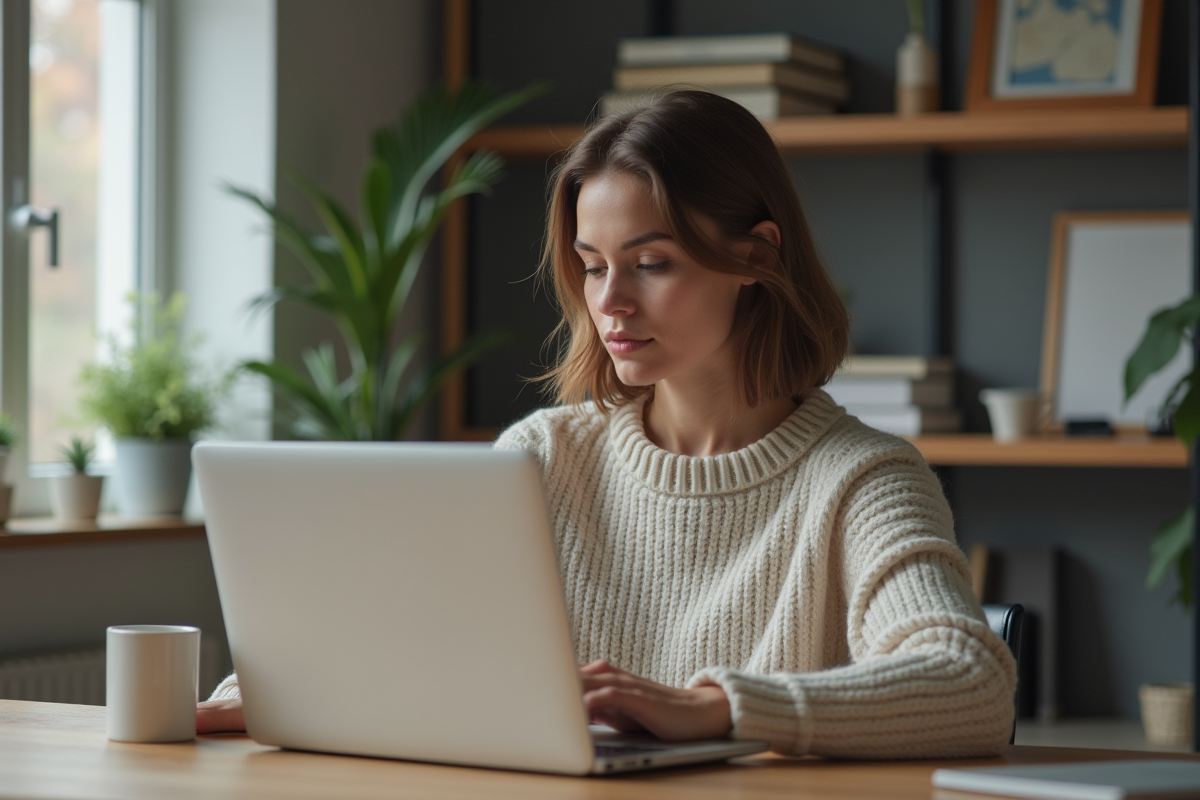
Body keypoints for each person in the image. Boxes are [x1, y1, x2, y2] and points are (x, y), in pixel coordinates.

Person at [198, 89, 1016, 758]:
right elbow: (424, 650)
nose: (611, 302)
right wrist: (293, 692)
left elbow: (969, 681)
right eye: (593, 267)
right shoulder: (541, 458)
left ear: (758, 256)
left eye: (652, 264)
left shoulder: (861, 478)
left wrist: (718, 706)